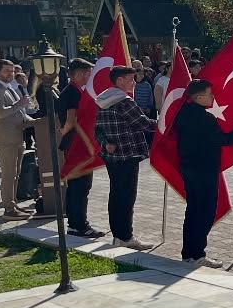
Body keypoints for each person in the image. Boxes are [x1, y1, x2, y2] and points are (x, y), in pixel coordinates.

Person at [174, 78, 233, 267]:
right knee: (205, 211)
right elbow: (220, 140)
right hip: (204, 170)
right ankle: (197, 253)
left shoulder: (182, 113)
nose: (212, 96)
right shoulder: (205, 117)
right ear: (199, 97)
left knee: (193, 210)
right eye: (209, 93)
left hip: (188, 167)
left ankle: (189, 253)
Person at [95, 65, 157, 250]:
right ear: (119, 80)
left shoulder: (103, 99)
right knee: (127, 197)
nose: (134, 82)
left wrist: (106, 142)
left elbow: (97, 130)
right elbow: (143, 123)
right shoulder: (124, 101)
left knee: (116, 195)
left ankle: (118, 235)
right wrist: (165, 124)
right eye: (130, 79)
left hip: (111, 155)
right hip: (127, 155)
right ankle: (126, 237)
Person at [55, 58, 102, 238]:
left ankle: (76, 223)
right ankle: (79, 225)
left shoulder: (75, 91)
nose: (90, 76)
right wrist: (64, 132)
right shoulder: (73, 92)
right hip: (77, 143)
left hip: (78, 143)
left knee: (78, 186)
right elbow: (71, 119)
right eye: (88, 73)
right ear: (80, 74)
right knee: (80, 186)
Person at [0, 59, 35, 218]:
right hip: (5, 138)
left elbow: (19, 112)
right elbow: (0, 113)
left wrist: (33, 121)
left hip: (18, 136)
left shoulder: (11, 88)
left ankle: (13, 204)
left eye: (12, 71)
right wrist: (20, 104)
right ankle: (8, 208)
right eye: (6, 71)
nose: (10, 74)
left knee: (16, 173)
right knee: (8, 174)